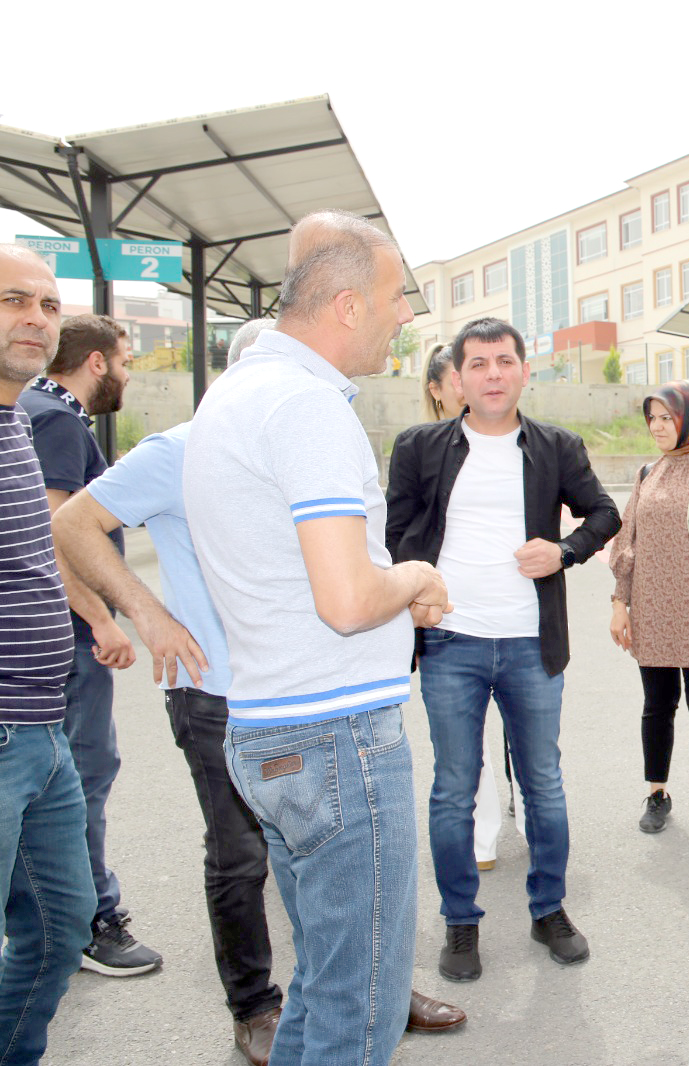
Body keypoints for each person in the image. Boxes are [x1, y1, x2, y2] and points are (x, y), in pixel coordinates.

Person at [53, 318, 465, 1066]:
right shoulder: (187, 446)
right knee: (243, 861)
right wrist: (147, 614)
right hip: (226, 694)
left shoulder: (275, 444)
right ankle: (255, 1009)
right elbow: (75, 520)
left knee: (327, 895)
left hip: (288, 695)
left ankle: (364, 989)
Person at [185, 210, 447, 1065]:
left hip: (270, 727)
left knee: (322, 992)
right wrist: (414, 578)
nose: (404, 314)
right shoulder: (305, 407)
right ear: (344, 304)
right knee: (359, 1008)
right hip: (334, 738)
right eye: (394, 296)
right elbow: (345, 598)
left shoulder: (235, 395)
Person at [386, 316, 620, 983]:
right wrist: (416, 585)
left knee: (543, 784)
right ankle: (461, 921)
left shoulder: (556, 447)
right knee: (454, 786)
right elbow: (396, 534)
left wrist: (565, 550)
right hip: (451, 642)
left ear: (524, 370)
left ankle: (549, 910)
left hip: (529, 645)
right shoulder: (419, 447)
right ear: (457, 377)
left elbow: (606, 514)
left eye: (505, 361)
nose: (493, 374)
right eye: (479, 363)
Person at [18, 311, 162, 977]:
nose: (129, 374)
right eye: (126, 360)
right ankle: (87, 922)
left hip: (56, 637)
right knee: (79, 778)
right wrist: (102, 619)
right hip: (70, 639)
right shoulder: (56, 417)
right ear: (98, 361)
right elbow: (50, 533)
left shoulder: (37, 412)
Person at [0, 244, 96, 1066]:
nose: (34, 319)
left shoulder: (20, 420)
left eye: (46, 305)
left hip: (42, 730)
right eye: (12, 301)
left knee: (64, 926)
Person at [609, 382, 689, 834]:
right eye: (651, 418)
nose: (657, 427)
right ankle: (657, 792)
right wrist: (621, 602)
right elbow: (627, 542)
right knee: (657, 704)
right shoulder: (647, 473)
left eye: (666, 417)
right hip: (654, 610)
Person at [421, 341, 510, 870]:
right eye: (456, 377)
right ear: (439, 389)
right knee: (461, 754)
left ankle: (514, 804)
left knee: (526, 747)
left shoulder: (516, 442)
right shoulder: (425, 451)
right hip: (452, 624)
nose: (467, 384)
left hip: (516, 622)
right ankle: (481, 839)